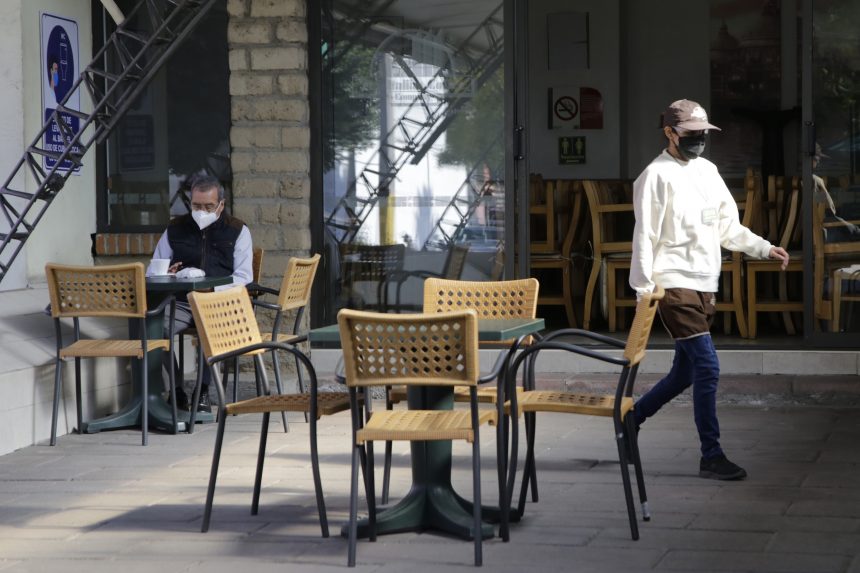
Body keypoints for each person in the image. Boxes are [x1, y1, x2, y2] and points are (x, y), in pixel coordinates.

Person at [629, 99, 790, 480]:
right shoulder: (654, 176)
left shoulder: (708, 171)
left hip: (705, 284)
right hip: (673, 284)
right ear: (670, 133)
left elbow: (727, 227)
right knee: (708, 366)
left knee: (684, 373)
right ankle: (711, 455)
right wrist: (643, 291)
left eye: (703, 133)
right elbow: (645, 237)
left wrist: (764, 248)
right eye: (691, 133)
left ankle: (631, 419)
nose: (699, 139)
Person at [150, 174, 253, 412]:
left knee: (209, 327)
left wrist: (213, 288)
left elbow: (244, 277)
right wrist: (169, 272)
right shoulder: (175, 229)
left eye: (208, 206)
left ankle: (203, 390)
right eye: (197, 206)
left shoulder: (237, 230)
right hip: (183, 302)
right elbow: (154, 267)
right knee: (155, 326)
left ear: (221, 205)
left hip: (219, 303)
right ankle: (176, 389)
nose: (202, 211)